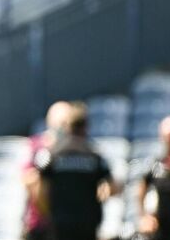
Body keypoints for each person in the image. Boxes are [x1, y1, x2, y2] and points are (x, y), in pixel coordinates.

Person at [34, 102, 119, 240]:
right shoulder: (94, 155)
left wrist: (48, 213)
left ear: (67, 126)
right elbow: (112, 188)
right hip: (88, 222)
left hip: (60, 222)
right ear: (86, 126)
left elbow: (40, 190)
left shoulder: (52, 154)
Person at [22, 101, 71, 240]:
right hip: (40, 224)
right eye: (60, 123)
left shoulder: (75, 149)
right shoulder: (36, 146)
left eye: (65, 123)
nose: (62, 128)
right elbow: (27, 178)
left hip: (69, 221)